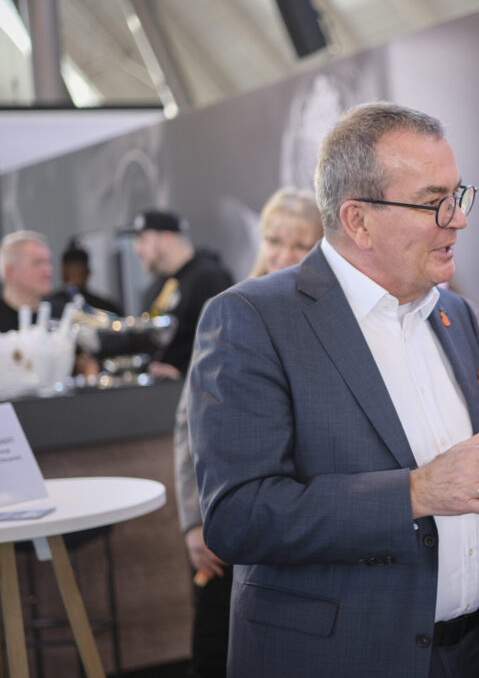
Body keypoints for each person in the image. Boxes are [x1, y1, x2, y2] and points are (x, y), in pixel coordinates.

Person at [187, 101, 479, 678]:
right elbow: (239, 517)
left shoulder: (455, 315)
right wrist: (415, 493)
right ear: (358, 220)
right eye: (433, 201)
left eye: (458, 195)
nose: (457, 219)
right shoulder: (253, 319)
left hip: (474, 649)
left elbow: (464, 479)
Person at [173, 187, 323, 677]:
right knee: (216, 652)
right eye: (275, 240)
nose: (283, 254)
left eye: (299, 244)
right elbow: (190, 425)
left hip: (304, 531)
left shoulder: (334, 319)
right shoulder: (232, 311)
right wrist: (195, 520)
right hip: (232, 526)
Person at [129, 209, 234, 379]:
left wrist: (184, 374)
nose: (138, 249)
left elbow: (225, 341)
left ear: (166, 240)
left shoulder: (209, 278)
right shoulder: (156, 288)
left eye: (143, 240)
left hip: (198, 388)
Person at [48, 238, 123, 316]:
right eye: (72, 266)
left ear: (88, 271)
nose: (77, 270)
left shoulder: (106, 306)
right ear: (63, 270)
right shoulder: (50, 305)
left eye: (80, 266)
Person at [0, 230, 53, 332]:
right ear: (10, 272)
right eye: (37, 263)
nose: (48, 270)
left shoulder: (62, 316)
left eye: (48, 262)